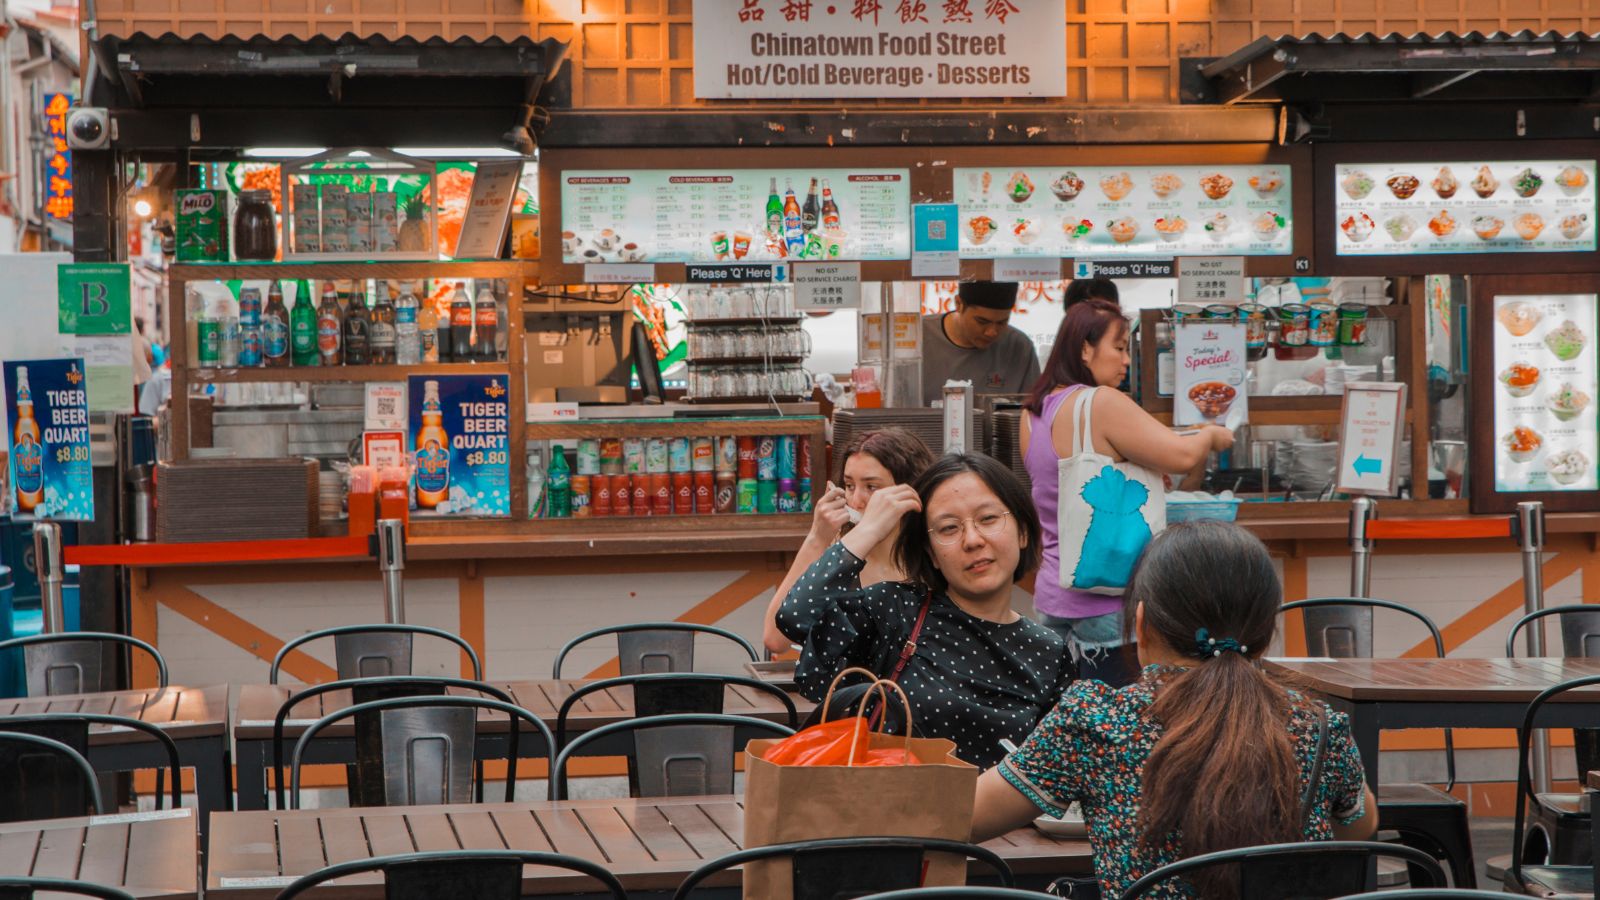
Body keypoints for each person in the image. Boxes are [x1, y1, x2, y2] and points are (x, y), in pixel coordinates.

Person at [972, 521, 1378, 899]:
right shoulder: (1317, 725)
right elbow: (1358, 826)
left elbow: (967, 817)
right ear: (1264, 632)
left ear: (1141, 622)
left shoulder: (1095, 719)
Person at [777, 453, 1073, 768]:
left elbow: (1056, 770)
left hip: (1004, 803)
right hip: (890, 798)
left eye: (988, 519)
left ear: (1023, 532)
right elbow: (795, 616)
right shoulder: (896, 611)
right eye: (949, 528)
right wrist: (868, 530)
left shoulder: (1049, 650)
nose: (972, 540)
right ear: (931, 554)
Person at [1022, 298, 1233, 687]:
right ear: (1085, 349)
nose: (1125, 361)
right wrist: (1210, 436)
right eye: (1118, 348)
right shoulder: (1100, 401)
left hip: (1053, 597)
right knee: (1121, 719)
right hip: (1110, 604)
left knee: (1069, 716)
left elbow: (1065, 483)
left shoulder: (1034, 412)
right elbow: (1182, 456)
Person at [762, 428, 936, 654]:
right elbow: (775, 640)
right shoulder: (839, 554)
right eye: (849, 486)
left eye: (871, 487)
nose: (855, 500)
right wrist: (817, 537)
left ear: (910, 489)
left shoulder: (936, 553)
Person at [921, 281, 1041, 402]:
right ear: (958, 304)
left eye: (1001, 322)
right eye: (982, 322)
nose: (992, 332)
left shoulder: (1019, 347)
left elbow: (1033, 407)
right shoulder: (919, 336)